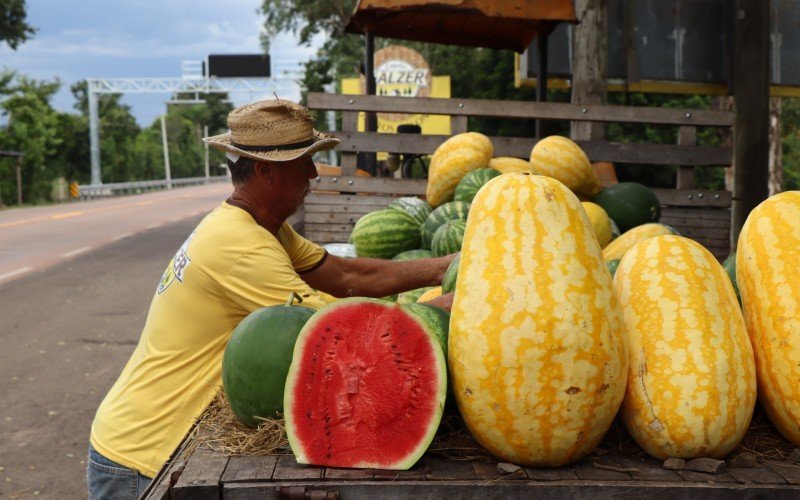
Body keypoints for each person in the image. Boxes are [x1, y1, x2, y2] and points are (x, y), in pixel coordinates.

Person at [87, 98, 455, 499]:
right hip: (144, 454)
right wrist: (446, 310)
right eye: (304, 164)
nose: (314, 174)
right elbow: (341, 334)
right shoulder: (241, 245)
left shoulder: (263, 227)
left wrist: (442, 267)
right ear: (266, 171)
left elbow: (348, 275)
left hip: (148, 444)